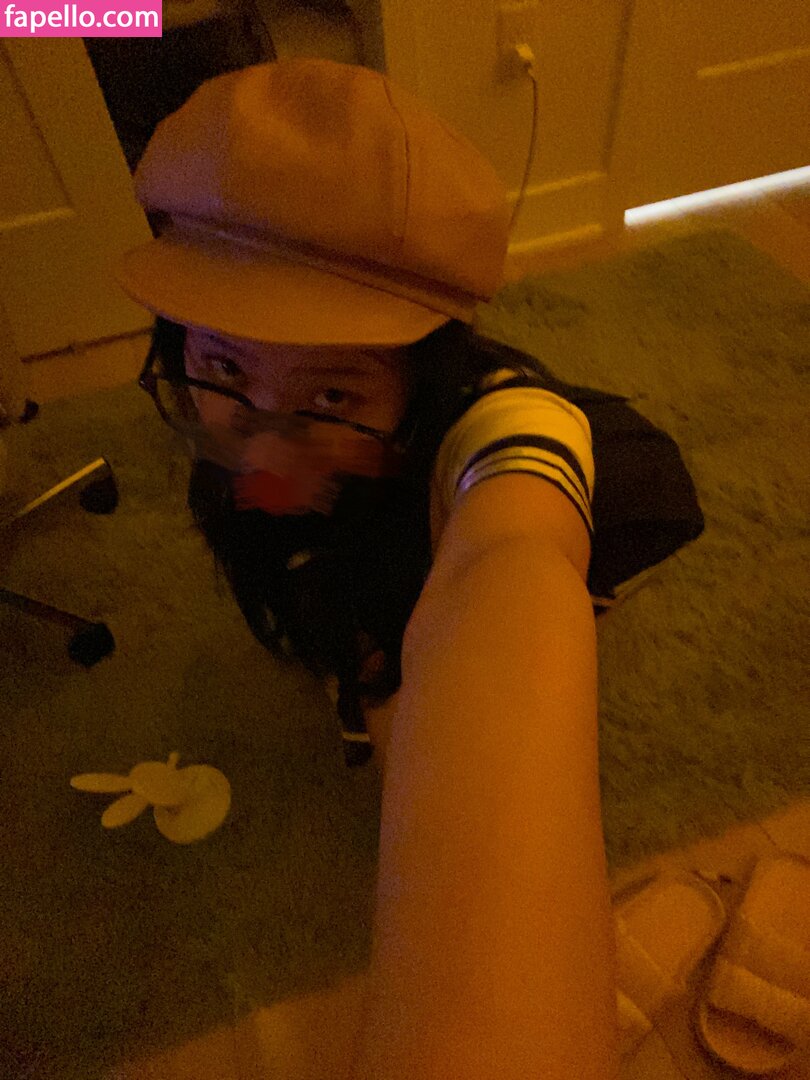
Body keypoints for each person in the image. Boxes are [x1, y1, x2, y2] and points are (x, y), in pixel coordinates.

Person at [117, 58, 701, 1078]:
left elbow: (507, 566)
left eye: (332, 392)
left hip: (614, 508)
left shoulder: (503, 431)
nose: (261, 437)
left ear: (422, 371)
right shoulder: (259, 431)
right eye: (223, 364)